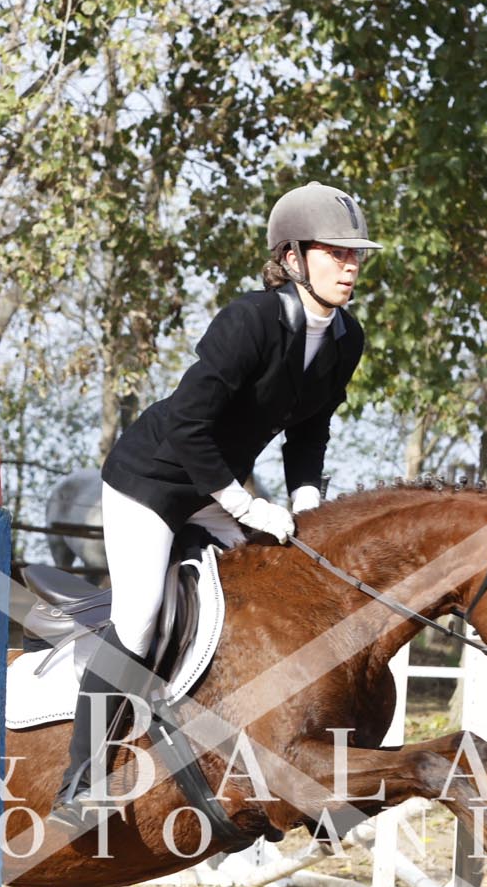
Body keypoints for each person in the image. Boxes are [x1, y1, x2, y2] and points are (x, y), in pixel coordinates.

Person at [53, 182, 377, 820]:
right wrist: (246, 506)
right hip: (152, 481)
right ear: (292, 257)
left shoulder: (346, 337)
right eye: (335, 252)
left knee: (278, 586)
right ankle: (79, 782)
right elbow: (187, 425)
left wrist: (305, 505)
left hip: (218, 486)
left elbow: (310, 431)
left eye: (355, 255)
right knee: (140, 617)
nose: (350, 266)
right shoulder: (248, 321)